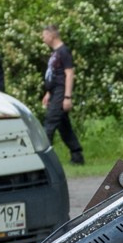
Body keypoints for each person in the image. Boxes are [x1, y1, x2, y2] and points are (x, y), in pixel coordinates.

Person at [39, 24, 85, 165]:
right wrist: (48, 92)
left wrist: (67, 97)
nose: (43, 38)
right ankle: (77, 156)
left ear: (52, 36)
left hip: (61, 93)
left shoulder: (64, 51)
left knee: (49, 124)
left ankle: (44, 160)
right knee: (64, 127)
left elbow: (69, 73)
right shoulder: (55, 53)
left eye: (44, 35)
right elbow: (53, 74)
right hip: (54, 93)